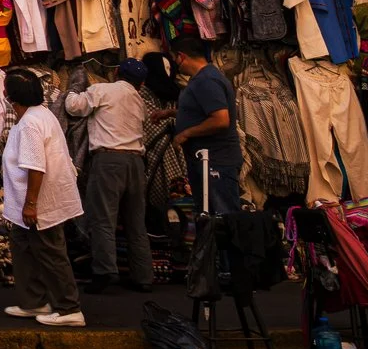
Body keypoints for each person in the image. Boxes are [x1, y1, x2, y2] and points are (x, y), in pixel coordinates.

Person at [0, 67, 86, 327]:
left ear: (11, 96)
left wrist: (31, 204)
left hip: (40, 201)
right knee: (23, 248)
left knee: (51, 253)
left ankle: (70, 308)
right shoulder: (41, 114)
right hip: (32, 202)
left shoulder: (30, 124)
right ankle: (33, 301)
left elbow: (36, 166)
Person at [65, 55, 153, 292]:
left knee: (103, 218)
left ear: (116, 74)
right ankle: (143, 277)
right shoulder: (139, 100)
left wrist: (73, 90)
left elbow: (74, 107)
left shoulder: (102, 90)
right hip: (135, 162)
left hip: (109, 160)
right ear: (141, 84)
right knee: (135, 221)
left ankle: (104, 272)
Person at [169, 37, 244, 216]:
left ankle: (226, 244)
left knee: (222, 217)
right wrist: (172, 114)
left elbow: (220, 120)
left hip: (215, 162)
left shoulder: (206, 80)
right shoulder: (202, 79)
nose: (175, 66)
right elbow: (201, 112)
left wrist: (185, 134)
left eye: (174, 60)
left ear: (181, 56)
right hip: (205, 162)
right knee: (208, 215)